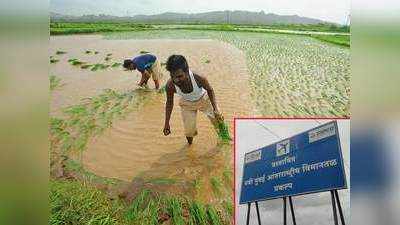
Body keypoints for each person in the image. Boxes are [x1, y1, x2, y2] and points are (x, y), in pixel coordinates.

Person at [163, 54, 222, 145]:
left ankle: (224, 141)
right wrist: (167, 123)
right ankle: (190, 148)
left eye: (179, 76)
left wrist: (215, 108)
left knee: (218, 120)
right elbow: (169, 103)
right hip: (187, 103)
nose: (176, 80)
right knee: (189, 131)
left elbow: (210, 90)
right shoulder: (170, 85)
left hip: (204, 99)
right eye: (173, 77)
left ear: (187, 72)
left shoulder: (199, 78)